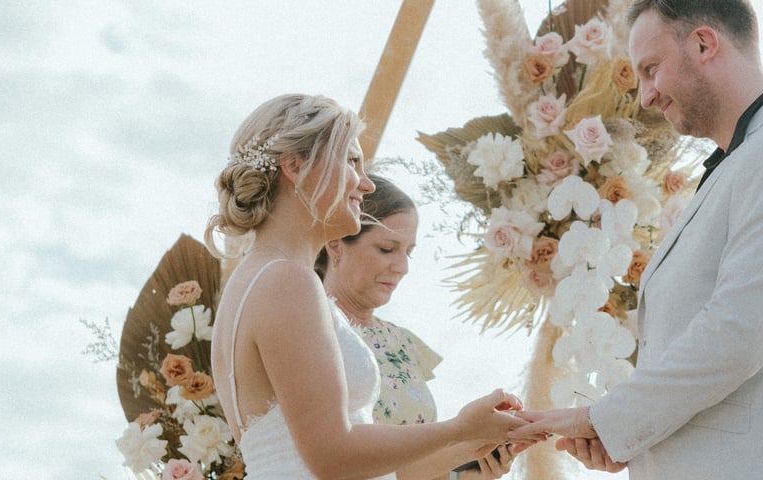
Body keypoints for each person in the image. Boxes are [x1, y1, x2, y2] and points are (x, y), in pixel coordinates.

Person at [509, 1, 763, 478]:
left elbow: (738, 332)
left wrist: (608, 421)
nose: (645, 97)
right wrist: (632, 440)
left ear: (703, 43)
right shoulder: (751, 158)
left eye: (651, 70)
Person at [207, 94, 533, 480]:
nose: (364, 184)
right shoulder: (287, 281)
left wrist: (473, 441)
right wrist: (458, 427)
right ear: (294, 166)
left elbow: (339, 459)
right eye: (351, 161)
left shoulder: (260, 279)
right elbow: (333, 457)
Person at [317, 174, 517, 480]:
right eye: (387, 248)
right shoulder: (311, 332)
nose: (403, 266)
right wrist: (463, 437)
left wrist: (471, 465)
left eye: (408, 252)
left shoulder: (403, 343)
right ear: (336, 243)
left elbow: (407, 471)